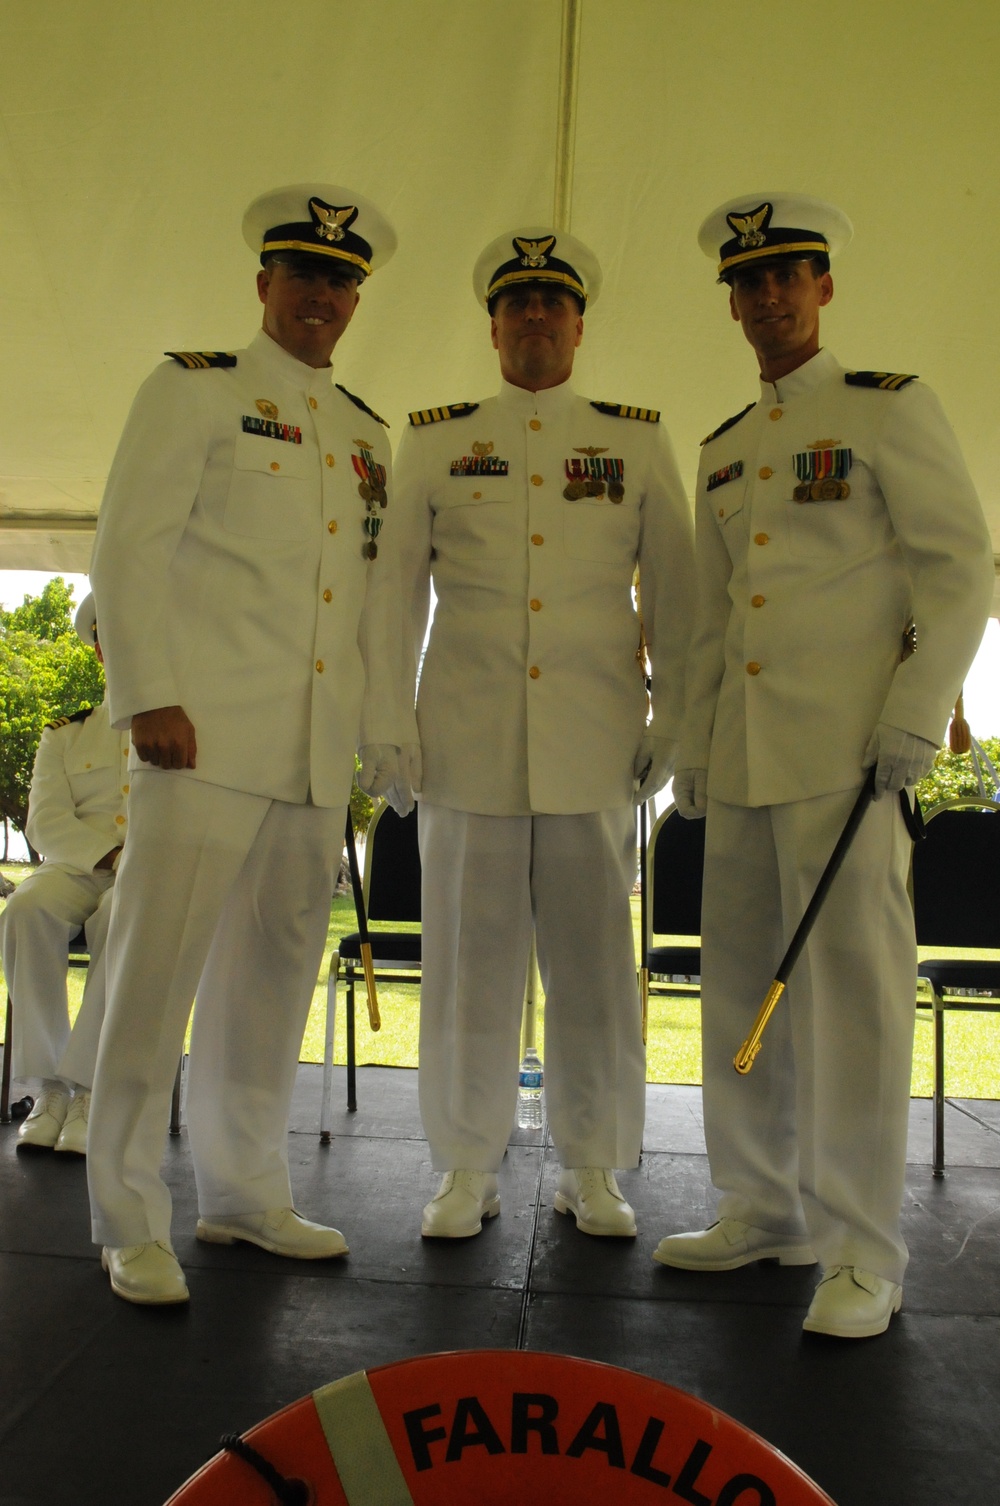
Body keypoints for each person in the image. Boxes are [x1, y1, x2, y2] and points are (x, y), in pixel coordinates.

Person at [653, 193, 994, 1338]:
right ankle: (763, 1207)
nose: (765, 299)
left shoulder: (889, 410)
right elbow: (708, 624)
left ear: (823, 287)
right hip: (743, 762)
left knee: (850, 1002)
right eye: (746, 284)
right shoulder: (722, 449)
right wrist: (692, 746)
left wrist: (918, 708)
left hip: (848, 759)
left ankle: (861, 1247)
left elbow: (960, 566)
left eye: (785, 277)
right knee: (740, 988)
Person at [87, 183, 414, 1304]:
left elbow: (368, 604)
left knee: (269, 981)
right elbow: (127, 546)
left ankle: (243, 1195)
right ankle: (128, 1217)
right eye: (303, 273)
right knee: (152, 983)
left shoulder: (368, 434)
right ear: (263, 283)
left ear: (355, 295)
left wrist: (376, 730)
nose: (321, 294)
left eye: (340, 279)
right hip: (199, 737)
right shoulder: (193, 390)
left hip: (311, 756)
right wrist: (147, 697)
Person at [394, 227, 695, 1239]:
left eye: (551, 304)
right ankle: (463, 1169)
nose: (534, 319)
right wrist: (385, 718)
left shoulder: (636, 441)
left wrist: (675, 717)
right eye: (516, 304)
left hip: (594, 745)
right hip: (465, 746)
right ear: (491, 325)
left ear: (577, 323)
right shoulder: (434, 440)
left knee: (596, 975)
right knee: (466, 974)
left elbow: (682, 600)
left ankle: (594, 1166)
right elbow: (394, 597)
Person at [0, 594, 125, 1155]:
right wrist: (108, 855)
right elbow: (45, 821)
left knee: (119, 919)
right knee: (25, 908)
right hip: (77, 865)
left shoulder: (183, 730)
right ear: (98, 651)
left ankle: (93, 1088)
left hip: (144, 872)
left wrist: (133, 861)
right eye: (109, 640)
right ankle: (50, 1087)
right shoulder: (65, 733)